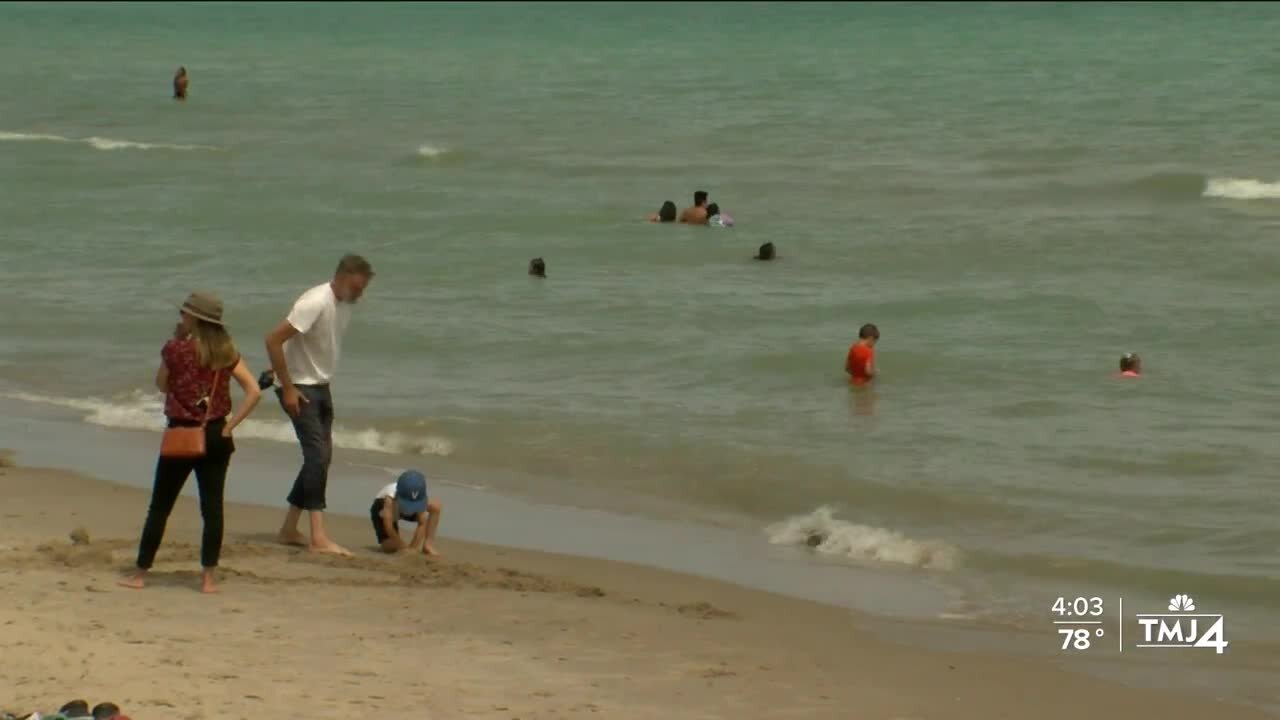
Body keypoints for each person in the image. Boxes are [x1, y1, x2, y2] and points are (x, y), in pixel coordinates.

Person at [120, 292, 262, 594]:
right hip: (216, 434)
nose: (181, 317)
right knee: (212, 509)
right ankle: (208, 577)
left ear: (194, 319)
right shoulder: (226, 351)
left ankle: (140, 573)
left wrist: (175, 345)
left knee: (160, 506)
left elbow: (161, 384)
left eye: (185, 313)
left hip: (181, 434)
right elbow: (254, 391)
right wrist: (230, 426)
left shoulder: (175, 348)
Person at [264, 254, 375, 556]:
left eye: (363, 289)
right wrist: (286, 387)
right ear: (341, 277)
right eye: (357, 287)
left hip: (321, 386)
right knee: (316, 457)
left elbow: (298, 342)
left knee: (321, 458)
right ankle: (318, 536)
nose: (360, 294)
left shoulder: (343, 304)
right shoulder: (315, 301)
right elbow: (273, 339)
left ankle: (289, 529)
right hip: (300, 389)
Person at [371, 470, 444, 556]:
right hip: (384, 511)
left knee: (436, 506)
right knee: (390, 547)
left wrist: (412, 548)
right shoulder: (389, 499)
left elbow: (422, 523)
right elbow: (389, 527)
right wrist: (403, 547)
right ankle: (391, 545)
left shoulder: (419, 495)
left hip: (401, 510)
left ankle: (428, 545)